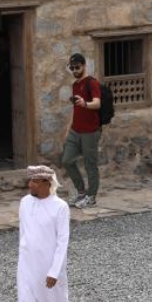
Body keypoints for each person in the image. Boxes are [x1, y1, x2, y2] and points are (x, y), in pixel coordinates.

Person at [13, 165, 82, 302]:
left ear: (47, 183)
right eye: (30, 180)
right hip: (27, 266)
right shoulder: (25, 202)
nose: (30, 184)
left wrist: (54, 271)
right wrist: (23, 260)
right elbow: (24, 234)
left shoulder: (60, 207)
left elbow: (62, 241)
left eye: (35, 181)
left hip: (50, 268)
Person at [61, 52, 102, 209]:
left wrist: (85, 103)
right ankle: (81, 192)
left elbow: (97, 103)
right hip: (75, 130)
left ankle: (91, 197)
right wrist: (68, 130)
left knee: (90, 163)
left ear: (84, 65)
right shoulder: (75, 85)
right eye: (71, 68)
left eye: (77, 67)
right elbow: (75, 109)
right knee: (67, 160)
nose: (74, 70)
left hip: (90, 131)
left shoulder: (92, 83)